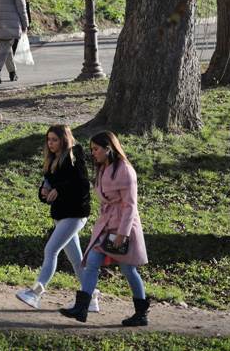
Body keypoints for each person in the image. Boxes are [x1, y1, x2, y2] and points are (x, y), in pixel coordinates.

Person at [61, 132, 150, 326]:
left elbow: (130, 206)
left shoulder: (125, 170)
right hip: (105, 224)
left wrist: (123, 233)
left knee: (128, 269)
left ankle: (141, 313)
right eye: (92, 149)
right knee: (92, 262)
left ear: (108, 149)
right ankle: (82, 307)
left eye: (96, 149)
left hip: (123, 226)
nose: (93, 153)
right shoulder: (103, 169)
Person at [15, 125, 100, 313]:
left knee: (51, 250)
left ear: (64, 139)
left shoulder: (75, 155)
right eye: (48, 139)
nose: (50, 143)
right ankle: (91, 298)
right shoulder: (51, 160)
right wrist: (43, 192)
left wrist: (59, 190)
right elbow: (48, 185)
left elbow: (81, 184)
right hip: (60, 215)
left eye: (54, 139)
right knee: (76, 261)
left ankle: (35, 293)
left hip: (75, 214)